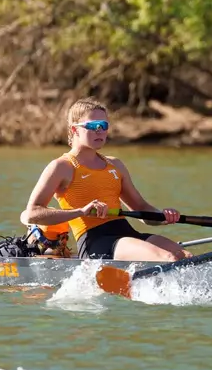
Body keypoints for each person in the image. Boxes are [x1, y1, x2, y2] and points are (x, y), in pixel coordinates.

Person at [20, 98, 188, 261]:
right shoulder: (61, 167)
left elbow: (142, 209)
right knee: (168, 258)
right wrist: (80, 212)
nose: (99, 130)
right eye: (93, 126)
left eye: (104, 126)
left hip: (127, 233)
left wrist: (163, 216)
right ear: (74, 130)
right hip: (96, 242)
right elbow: (31, 214)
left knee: (185, 257)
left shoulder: (115, 165)